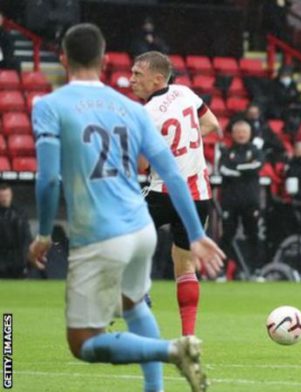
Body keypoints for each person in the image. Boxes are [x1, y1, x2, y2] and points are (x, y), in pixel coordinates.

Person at [27, 24, 224, 392]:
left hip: (106, 225)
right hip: (158, 219)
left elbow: (48, 179)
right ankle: (168, 366)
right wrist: (198, 235)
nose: (131, 78)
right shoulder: (140, 107)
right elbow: (182, 160)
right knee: (139, 301)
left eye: (136, 72)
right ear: (103, 61)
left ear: (64, 59)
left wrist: (42, 234)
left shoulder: (52, 106)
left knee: (84, 341)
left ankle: (170, 348)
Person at [130, 50, 221, 337]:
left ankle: (138, 291)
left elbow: (142, 164)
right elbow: (212, 125)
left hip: (163, 191)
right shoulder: (184, 92)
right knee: (185, 266)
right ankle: (188, 337)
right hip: (199, 194)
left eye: (137, 75)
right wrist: (183, 149)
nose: (131, 79)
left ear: (157, 79)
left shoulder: (144, 114)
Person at [219, 120, 264, 272]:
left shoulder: (256, 151)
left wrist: (237, 168)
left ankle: (256, 270)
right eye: (238, 131)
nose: (241, 135)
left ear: (249, 134)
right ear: (233, 134)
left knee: (253, 234)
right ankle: (221, 272)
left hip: (250, 200)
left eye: (244, 132)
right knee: (226, 236)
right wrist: (244, 168)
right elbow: (224, 169)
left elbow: (257, 166)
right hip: (230, 200)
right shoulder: (226, 151)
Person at [0, 183, 31, 278]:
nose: (4, 198)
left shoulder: (20, 213)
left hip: (17, 258)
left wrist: (24, 258)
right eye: (1, 196)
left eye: (7, 195)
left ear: (11, 195)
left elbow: (26, 237)